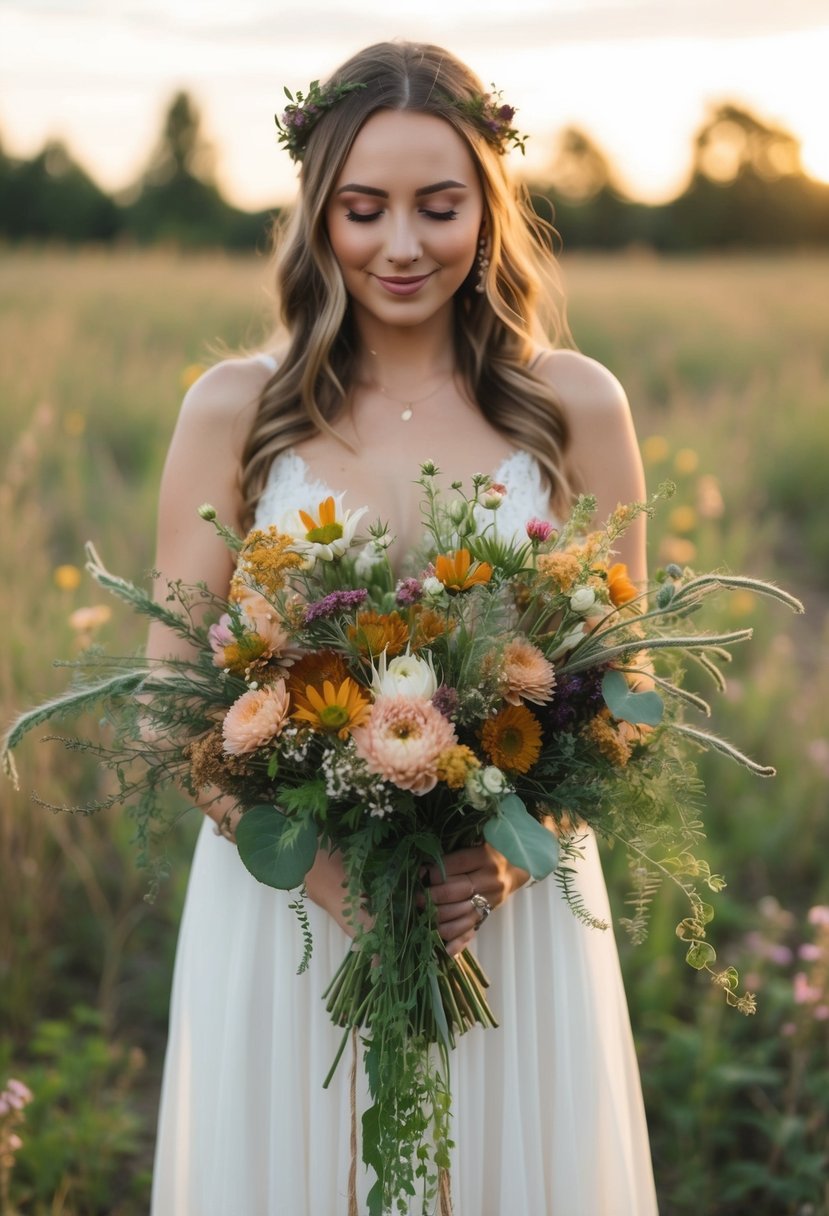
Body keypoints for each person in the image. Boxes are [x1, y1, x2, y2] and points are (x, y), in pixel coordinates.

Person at [149, 40, 659, 1215]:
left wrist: (501, 871)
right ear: (317, 213)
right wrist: (335, 878)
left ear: (488, 207)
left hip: (499, 920)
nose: (400, 244)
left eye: (438, 206)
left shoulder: (573, 403)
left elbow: (622, 696)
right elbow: (170, 701)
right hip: (286, 909)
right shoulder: (239, 409)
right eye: (363, 208)